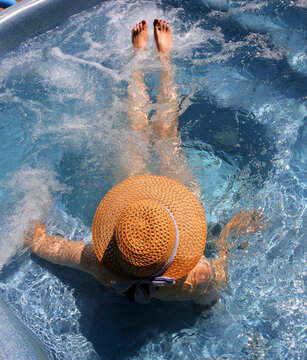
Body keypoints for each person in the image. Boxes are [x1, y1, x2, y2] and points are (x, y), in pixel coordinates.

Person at [25, 20, 266, 305]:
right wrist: (229, 234)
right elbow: (215, 287)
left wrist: (35, 227)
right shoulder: (194, 280)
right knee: (155, 134)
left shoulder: (103, 267)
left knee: (151, 136)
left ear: (117, 245)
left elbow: (48, 246)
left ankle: (139, 62)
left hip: (136, 208)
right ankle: (161, 61)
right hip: (136, 199)